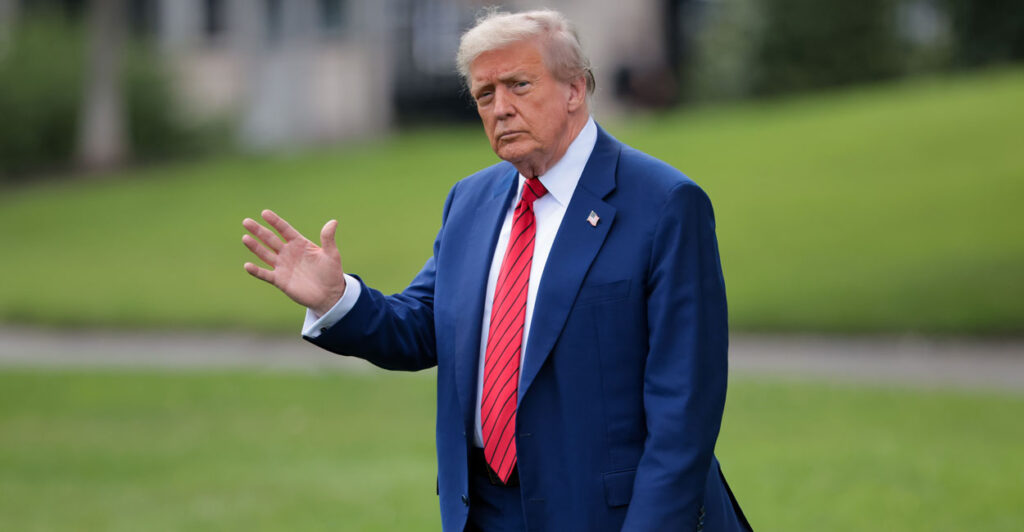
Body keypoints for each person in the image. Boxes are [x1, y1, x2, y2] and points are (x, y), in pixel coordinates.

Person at [242, 9, 751, 532]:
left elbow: (684, 407)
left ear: (575, 89)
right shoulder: (471, 200)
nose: (501, 108)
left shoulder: (665, 204)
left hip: (610, 515)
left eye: (519, 85)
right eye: (486, 95)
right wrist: (336, 300)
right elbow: (425, 326)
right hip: (483, 511)